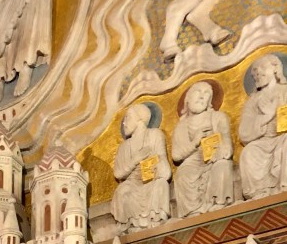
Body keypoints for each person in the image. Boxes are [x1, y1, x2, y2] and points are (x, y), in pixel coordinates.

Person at [172, 81, 234, 217]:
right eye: (197, 92)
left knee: (223, 165)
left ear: (209, 101)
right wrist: (195, 142)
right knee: (182, 174)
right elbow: (176, 155)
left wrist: (218, 147)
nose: (201, 96)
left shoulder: (217, 117)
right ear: (187, 99)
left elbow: (227, 146)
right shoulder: (182, 126)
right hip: (193, 161)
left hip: (215, 157)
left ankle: (218, 203)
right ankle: (193, 212)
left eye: (206, 94)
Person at [112, 104, 171, 233]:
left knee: (161, 185)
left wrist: (155, 164)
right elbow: (118, 173)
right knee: (121, 191)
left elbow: (165, 168)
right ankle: (131, 226)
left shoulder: (155, 135)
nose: (124, 123)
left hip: (152, 181)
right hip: (132, 184)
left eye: (128, 117)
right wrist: (135, 159)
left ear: (140, 119)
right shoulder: (124, 147)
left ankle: (156, 220)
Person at [238, 54, 287, 201]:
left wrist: (277, 116)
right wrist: (267, 116)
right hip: (263, 141)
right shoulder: (253, 100)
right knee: (248, 152)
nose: (257, 72)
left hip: (283, 136)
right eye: (254, 71)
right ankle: (259, 193)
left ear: (275, 68)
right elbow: (244, 133)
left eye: (262, 67)